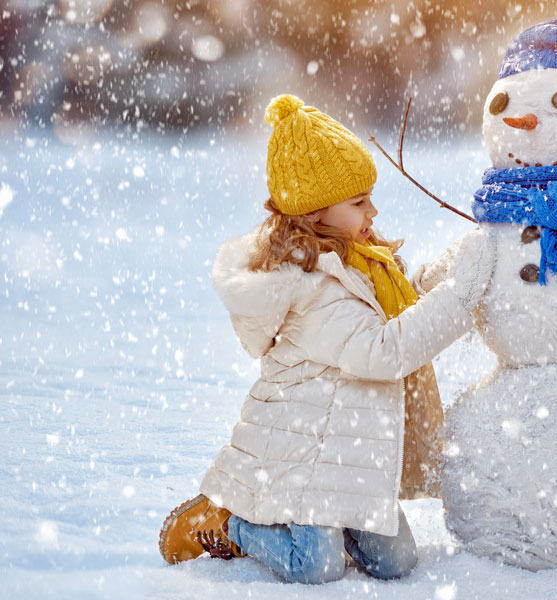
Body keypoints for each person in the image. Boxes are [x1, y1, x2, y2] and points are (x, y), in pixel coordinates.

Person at [157, 94, 492, 583]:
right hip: (303, 455)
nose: (372, 210)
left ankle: (334, 525)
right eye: (358, 202)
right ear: (315, 215)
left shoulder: (362, 260)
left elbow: (395, 312)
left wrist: (446, 274)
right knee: (315, 566)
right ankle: (231, 524)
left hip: (351, 452)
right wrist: (459, 302)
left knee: (395, 561)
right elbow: (384, 350)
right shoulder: (310, 287)